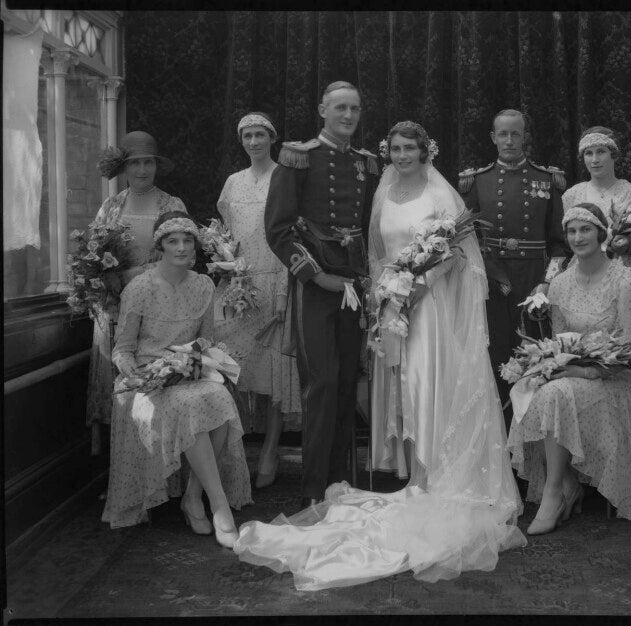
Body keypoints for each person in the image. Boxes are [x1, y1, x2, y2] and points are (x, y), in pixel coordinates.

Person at [233, 121, 526, 590]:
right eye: (396, 147)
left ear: (426, 151)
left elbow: (457, 254)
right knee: (395, 385)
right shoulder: (381, 189)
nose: (403, 154)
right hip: (391, 305)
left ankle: (436, 476)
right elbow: (372, 251)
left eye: (411, 147)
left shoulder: (442, 194)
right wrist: (386, 291)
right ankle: (407, 475)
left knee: (428, 382)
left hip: (430, 308)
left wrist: (418, 285)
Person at [507, 203, 631, 534]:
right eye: (571, 231)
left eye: (585, 229)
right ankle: (566, 483)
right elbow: (559, 342)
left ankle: (553, 494)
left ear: (602, 233)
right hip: (575, 374)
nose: (578, 237)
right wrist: (552, 364)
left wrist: (584, 371)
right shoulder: (561, 284)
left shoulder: (624, 281)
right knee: (529, 387)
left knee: (553, 393)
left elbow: (630, 351)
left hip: (615, 381)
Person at [101, 211, 252, 547]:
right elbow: (122, 350)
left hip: (190, 372)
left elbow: (207, 341)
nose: (181, 247)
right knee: (194, 404)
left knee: (220, 398)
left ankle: (194, 496)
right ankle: (220, 506)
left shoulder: (203, 285)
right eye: (173, 241)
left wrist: (212, 361)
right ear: (161, 247)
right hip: (149, 380)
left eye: (187, 240)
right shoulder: (139, 288)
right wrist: (133, 370)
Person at [264, 81, 378, 508]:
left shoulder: (367, 165)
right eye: (340, 108)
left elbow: (368, 225)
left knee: (348, 382)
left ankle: (340, 482)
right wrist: (315, 276)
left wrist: (364, 277)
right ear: (322, 110)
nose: (348, 116)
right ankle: (314, 490)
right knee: (322, 384)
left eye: (355, 108)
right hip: (316, 286)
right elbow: (277, 230)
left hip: (354, 283)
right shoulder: (298, 157)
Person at [459, 109, 568, 429]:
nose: (509, 140)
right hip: (491, 283)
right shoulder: (476, 181)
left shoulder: (547, 179)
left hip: (533, 282)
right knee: (495, 359)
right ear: (493, 138)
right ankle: (499, 443)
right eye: (503, 134)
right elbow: (465, 240)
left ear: (524, 137)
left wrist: (547, 284)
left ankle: (532, 445)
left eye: (515, 134)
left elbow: (560, 246)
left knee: (533, 359)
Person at [214, 112, 301, 489]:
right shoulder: (232, 183)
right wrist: (227, 266)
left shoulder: (284, 177)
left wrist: (285, 288)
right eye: (247, 135)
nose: (254, 141)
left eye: (260, 134)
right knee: (235, 372)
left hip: (275, 280)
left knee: (274, 376)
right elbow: (225, 233)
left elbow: (291, 236)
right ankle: (231, 453)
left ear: (272, 137)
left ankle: (270, 449)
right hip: (238, 286)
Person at [87, 131, 187, 456]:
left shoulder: (171, 205)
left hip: (157, 313)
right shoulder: (111, 207)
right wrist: (107, 280)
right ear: (124, 167)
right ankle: (120, 470)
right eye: (135, 164)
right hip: (115, 311)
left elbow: (180, 260)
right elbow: (93, 258)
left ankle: (159, 471)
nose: (142, 170)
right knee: (121, 389)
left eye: (148, 163)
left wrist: (135, 274)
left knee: (153, 389)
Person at [561, 126, 631, 266]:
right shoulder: (572, 196)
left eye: (601, 152)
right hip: (583, 273)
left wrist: (628, 244)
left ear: (613, 154)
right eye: (588, 153)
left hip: (622, 273)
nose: (595, 160)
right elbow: (564, 246)